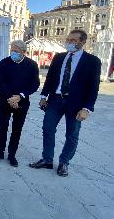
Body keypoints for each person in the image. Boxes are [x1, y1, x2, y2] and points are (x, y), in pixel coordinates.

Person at [30, 30, 101, 177]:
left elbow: (93, 87)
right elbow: (50, 78)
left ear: (83, 42)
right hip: (55, 99)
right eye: (68, 39)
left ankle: (64, 162)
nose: (69, 42)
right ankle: (47, 159)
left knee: (72, 134)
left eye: (74, 40)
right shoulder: (59, 57)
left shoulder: (92, 61)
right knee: (47, 129)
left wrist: (87, 108)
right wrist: (43, 96)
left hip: (75, 103)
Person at [0, 40, 40, 167]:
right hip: (5, 101)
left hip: (22, 102)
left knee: (17, 129)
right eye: (11, 50)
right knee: (2, 127)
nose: (13, 53)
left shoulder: (32, 65)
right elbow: (0, 82)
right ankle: (0, 152)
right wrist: (10, 97)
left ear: (23, 52)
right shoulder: (4, 63)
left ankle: (12, 155)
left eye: (16, 51)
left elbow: (35, 85)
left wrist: (20, 96)